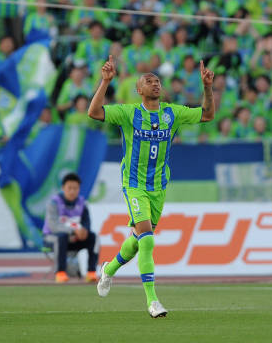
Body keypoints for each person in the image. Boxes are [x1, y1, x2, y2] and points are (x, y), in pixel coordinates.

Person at [88, 55, 215, 317]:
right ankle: (152, 301)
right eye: (149, 81)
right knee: (147, 239)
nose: (155, 84)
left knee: (137, 240)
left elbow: (208, 115)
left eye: (157, 81)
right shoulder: (129, 112)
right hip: (134, 184)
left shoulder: (173, 113)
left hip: (159, 187)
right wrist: (105, 82)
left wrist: (207, 87)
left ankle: (109, 269)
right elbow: (94, 112)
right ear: (139, 90)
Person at [42, 173, 99, 283]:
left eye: (75, 188)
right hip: (50, 239)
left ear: (79, 189)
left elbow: (86, 222)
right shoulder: (54, 202)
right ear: (63, 188)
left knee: (94, 237)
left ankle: (91, 272)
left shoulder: (82, 203)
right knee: (61, 237)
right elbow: (53, 226)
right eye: (69, 188)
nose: (72, 191)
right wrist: (73, 232)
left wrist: (84, 231)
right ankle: (60, 273)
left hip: (73, 240)